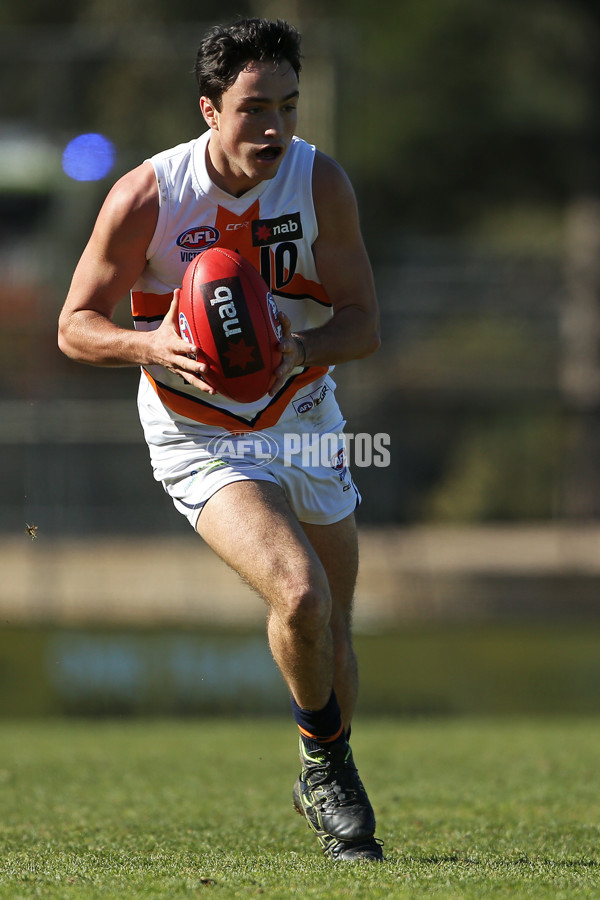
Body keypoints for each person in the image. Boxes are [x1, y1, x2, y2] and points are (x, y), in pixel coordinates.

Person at [58, 17, 382, 862]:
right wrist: (146, 344)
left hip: (307, 417)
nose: (274, 127)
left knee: (334, 630)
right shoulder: (149, 195)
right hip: (199, 431)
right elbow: (73, 327)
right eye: (252, 109)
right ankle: (327, 770)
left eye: (288, 105)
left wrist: (301, 349)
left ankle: (327, 757)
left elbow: (363, 324)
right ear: (209, 110)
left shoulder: (320, 184)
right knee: (300, 594)